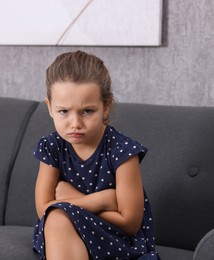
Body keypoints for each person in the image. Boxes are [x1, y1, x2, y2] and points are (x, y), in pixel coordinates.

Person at [33, 50, 158, 259]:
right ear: (49, 107)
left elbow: (130, 223)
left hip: (115, 239)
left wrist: (74, 200)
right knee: (56, 218)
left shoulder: (122, 151)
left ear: (106, 106)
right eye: (63, 111)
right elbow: (43, 210)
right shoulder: (52, 146)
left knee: (59, 213)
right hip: (66, 232)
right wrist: (105, 200)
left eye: (87, 111)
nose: (75, 124)